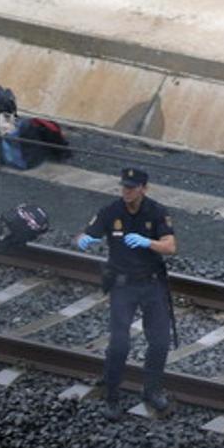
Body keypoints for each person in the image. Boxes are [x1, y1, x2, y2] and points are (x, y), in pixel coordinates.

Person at [75, 168, 178, 421]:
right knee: (119, 344)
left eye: (132, 188)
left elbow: (171, 246)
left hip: (151, 283)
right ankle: (112, 397)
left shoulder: (156, 212)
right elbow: (85, 234)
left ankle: (151, 390)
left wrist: (147, 242)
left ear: (144, 188)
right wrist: (83, 241)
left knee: (160, 342)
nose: (126, 192)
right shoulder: (111, 211)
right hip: (123, 286)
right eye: (124, 187)